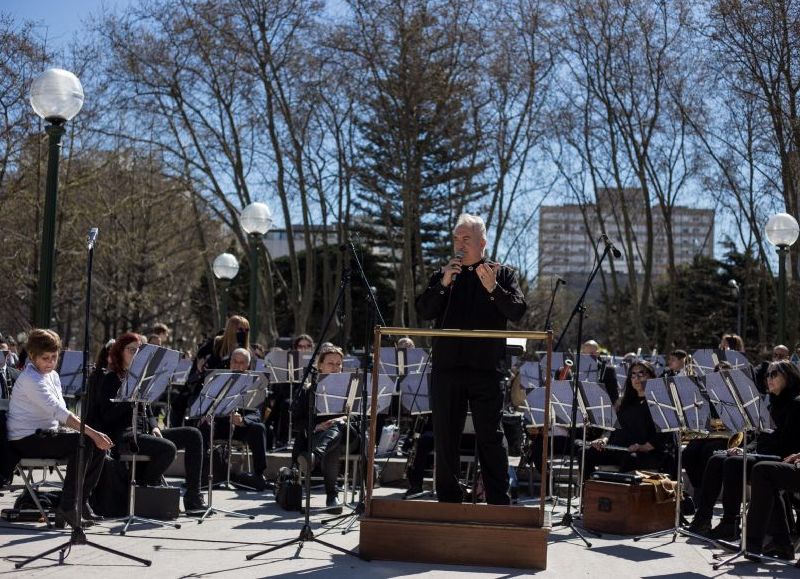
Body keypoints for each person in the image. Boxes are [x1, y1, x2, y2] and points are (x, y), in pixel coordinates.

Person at [416, 213, 527, 504]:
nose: (459, 244)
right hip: (447, 368)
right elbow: (425, 310)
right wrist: (442, 283)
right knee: (446, 437)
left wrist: (493, 289)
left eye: (466, 238)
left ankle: (498, 502)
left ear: (482, 242)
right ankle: (449, 501)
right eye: (456, 238)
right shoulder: (444, 274)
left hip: (486, 369)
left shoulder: (502, 274)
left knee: (491, 436)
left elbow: (516, 311)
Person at [7, 329, 114, 529]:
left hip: (46, 435)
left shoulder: (53, 376)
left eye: (54, 357)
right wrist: (92, 433)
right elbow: (59, 412)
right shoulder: (31, 379)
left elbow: (62, 411)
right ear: (32, 356)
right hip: (25, 440)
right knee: (83, 441)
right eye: (45, 358)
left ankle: (80, 502)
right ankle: (67, 507)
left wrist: (94, 435)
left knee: (98, 445)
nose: (50, 362)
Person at [96, 333, 207, 514]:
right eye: (131, 350)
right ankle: (143, 486)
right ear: (119, 353)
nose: (135, 354)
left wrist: (155, 425)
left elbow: (147, 411)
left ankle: (193, 497)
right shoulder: (111, 379)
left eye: (138, 351)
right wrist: (129, 400)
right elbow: (107, 416)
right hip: (125, 436)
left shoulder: (141, 379)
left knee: (193, 435)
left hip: (144, 432)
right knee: (168, 448)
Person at [688, 359, 800, 540]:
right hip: (764, 454)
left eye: (774, 374)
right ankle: (702, 518)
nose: (768, 379)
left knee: (733, 463)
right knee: (717, 459)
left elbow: (787, 443)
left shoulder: (796, 404)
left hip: (782, 460)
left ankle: (730, 523)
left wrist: (752, 453)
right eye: (767, 375)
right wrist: (744, 450)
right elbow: (759, 438)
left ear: (789, 377)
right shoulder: (772, 404)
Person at [583, 361, 672, 480]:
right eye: (633, 375)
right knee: (585, 452)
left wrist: (643, 446)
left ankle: (620, 495)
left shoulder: (660, 402)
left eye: (641, 374)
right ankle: (589, 491)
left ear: (651, 377)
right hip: (622, 449)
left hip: (649, 453)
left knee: (630, 459)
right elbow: (614, 429)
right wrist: (604, 439)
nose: (637, 378)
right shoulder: (625, 403)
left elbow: (664, 433)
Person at [196, 347, 269, 489]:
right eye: (234, 362)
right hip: (220, 424)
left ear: (248, 365)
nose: (238, 365)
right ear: (230, 363)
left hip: (241, 427)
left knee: (259, 428)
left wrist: (243, 421)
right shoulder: (218, 379)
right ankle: (200, 475)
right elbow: (205, 403)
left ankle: (259, 475)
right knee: (203, 427)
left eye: (242, 363)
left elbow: (257, 413)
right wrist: (208, 415)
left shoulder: (256, 382)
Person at [292, 345, 350, 513]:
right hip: (316, 435)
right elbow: (296, 421)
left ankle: (314, 457)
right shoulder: (307, 389)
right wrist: (317, 426)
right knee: (333, 438)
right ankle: (332, 496)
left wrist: (343, 417)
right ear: (320, 366)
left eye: (339, 364)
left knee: (337, 428)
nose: (336, 367)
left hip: (348, 435)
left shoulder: (350, 387)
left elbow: (360, 415)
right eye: (331, 363)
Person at [172, 316, 251, 426]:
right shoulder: (217, 343)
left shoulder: (244, 351)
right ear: (232, 329)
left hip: (231, 390)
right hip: (206, 385)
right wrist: (201, 364)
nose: (244, 333)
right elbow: (202, 360)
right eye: (240, 330)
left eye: (246, 330)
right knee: (180, 402)